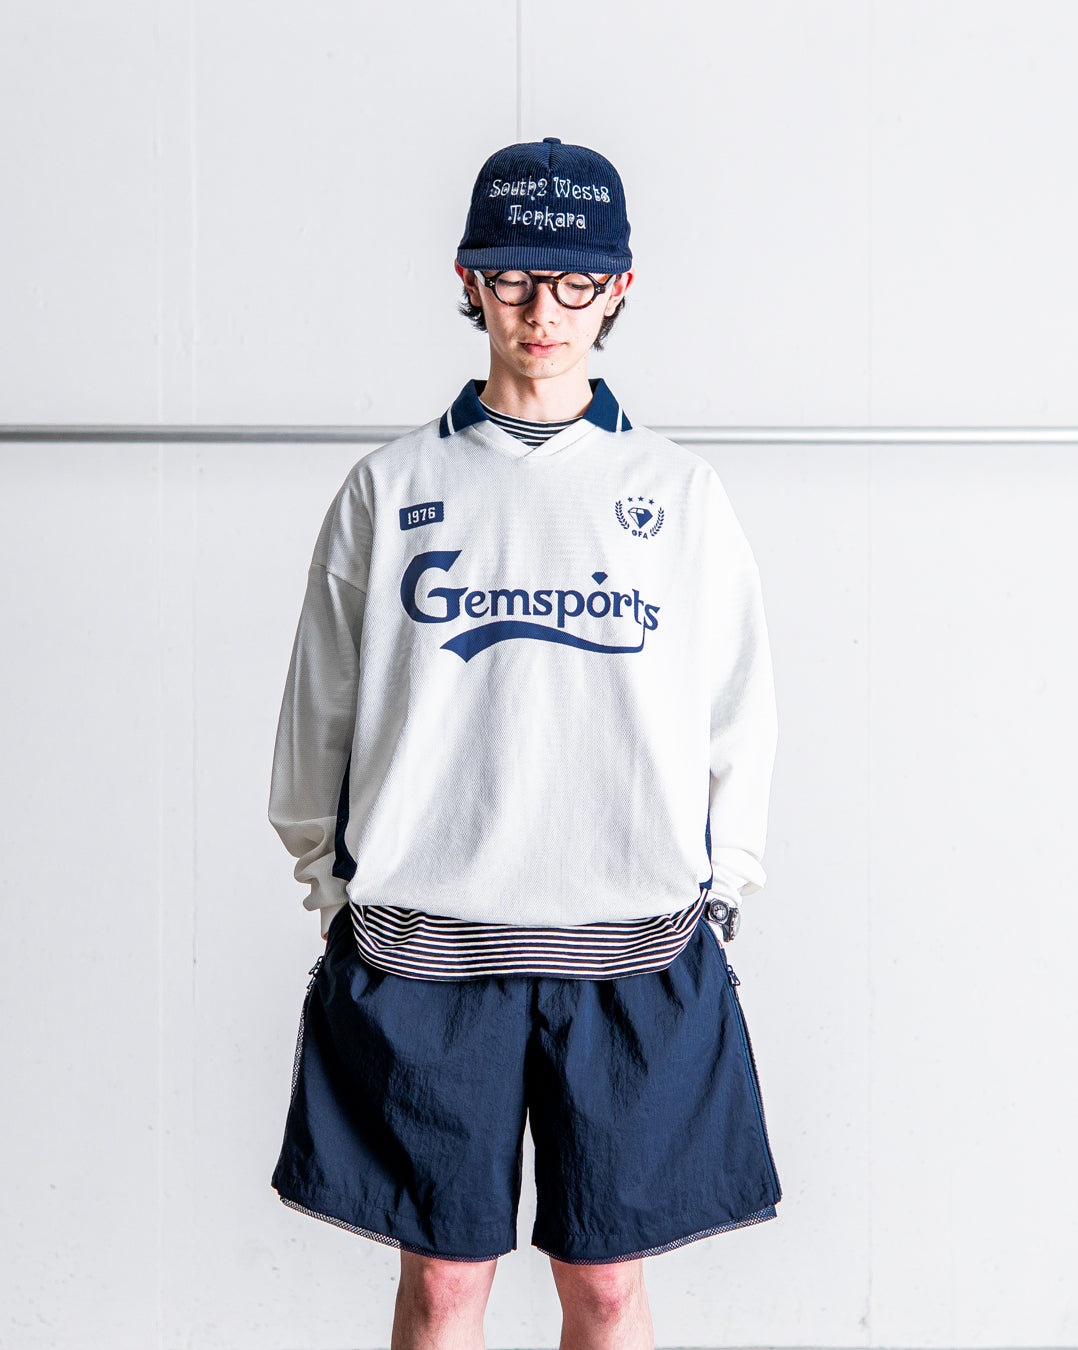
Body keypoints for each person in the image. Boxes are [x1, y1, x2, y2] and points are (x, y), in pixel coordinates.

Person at [268, 136, 781, 1350]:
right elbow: (319, 712)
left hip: (634, 953)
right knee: (446, 1287)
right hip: (427, 953)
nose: (541, 311)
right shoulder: (390, 489)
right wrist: (332, 891)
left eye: (573, 281)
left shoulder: (679, 493)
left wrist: (725, 890)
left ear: (618, 288)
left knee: (604, 1287)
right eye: (510, 278)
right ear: (468, 279)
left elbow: (738, 709)